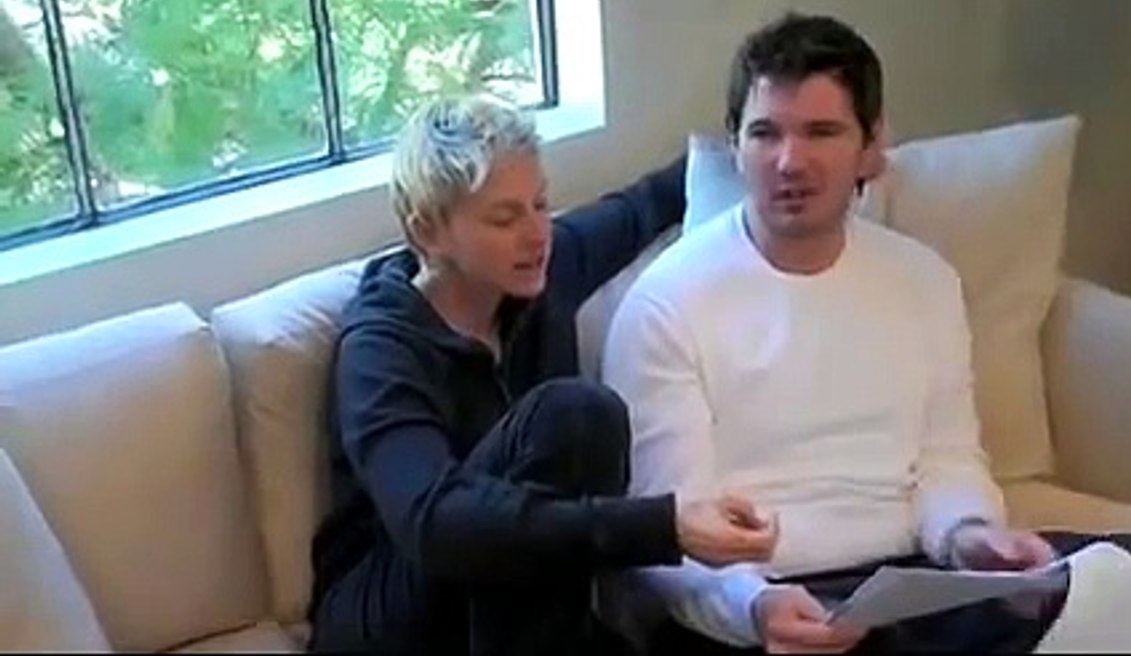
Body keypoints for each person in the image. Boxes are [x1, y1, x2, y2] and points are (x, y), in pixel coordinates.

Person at [601, 12, 1131, 654]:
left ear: (871, 147)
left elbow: (948, 457)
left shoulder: (922, 278)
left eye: (822, 132)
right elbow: (668, 530)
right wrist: (754, 607)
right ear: (736, 144)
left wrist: (973, 537)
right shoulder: (668, 302)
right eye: (765, 134)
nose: (790, 161)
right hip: (766, 596)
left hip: (914, 583)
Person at [305, 94, 780, 655]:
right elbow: (434, 522)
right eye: (505, 218)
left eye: (540, 204)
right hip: (393, 615)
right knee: (575, 414)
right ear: (428, 231)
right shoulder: (379, 349)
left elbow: (643, 205)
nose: (537, 233)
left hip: (516, 614)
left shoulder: (538, 270)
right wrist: (666, 526)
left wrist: (768, 151)